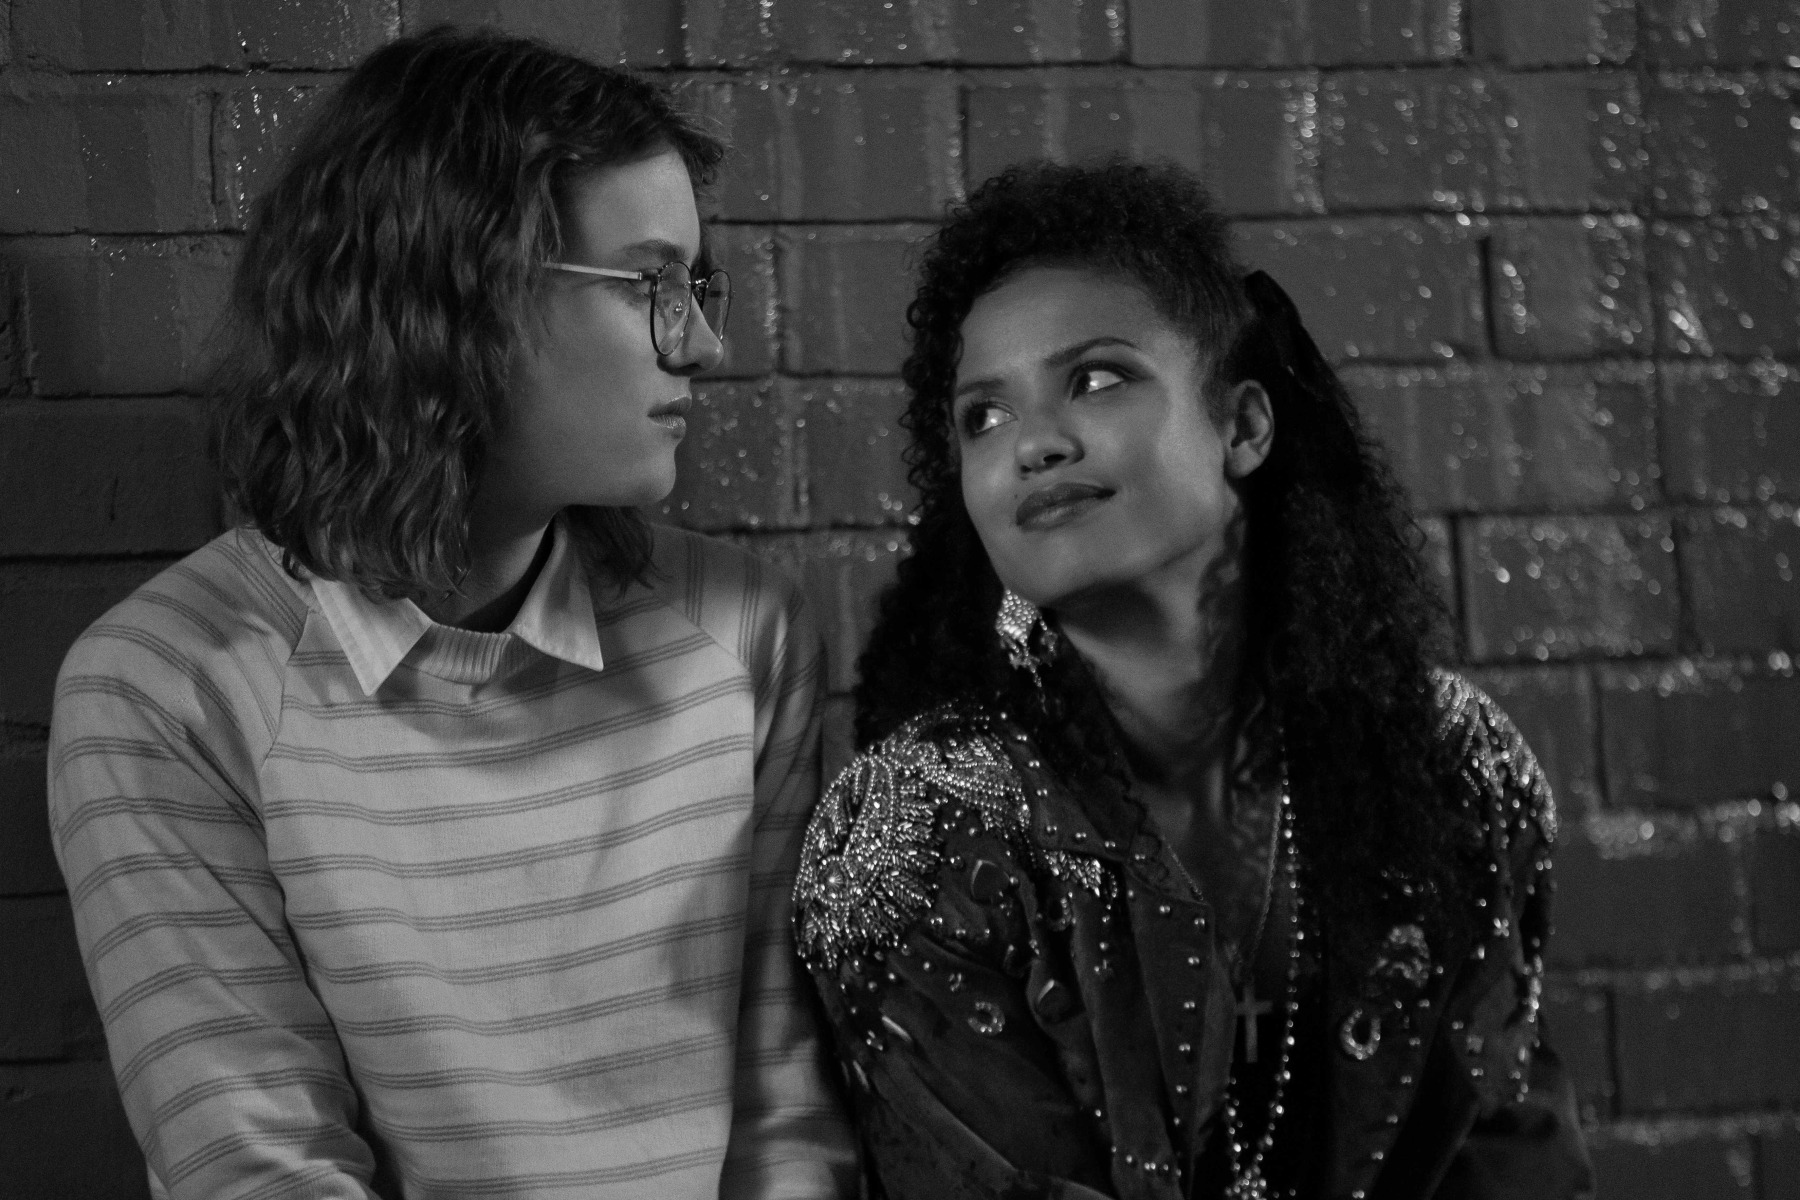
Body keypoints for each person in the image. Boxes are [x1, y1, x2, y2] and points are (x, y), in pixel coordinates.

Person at [50, 27, 853, 1200]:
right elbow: (261, 1173)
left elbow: (787, 1123)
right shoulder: (168, 688)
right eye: (651, 285)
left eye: (698, 285)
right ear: (456, 294)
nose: (702, 343)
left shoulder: (743, 633)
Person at [794, 160, 1593, 1199]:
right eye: (981, 416)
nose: (1033, 444)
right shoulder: (913, 834)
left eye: (1095, 379)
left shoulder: (1455, 767)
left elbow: (1515, 1157)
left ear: (1244, 427)